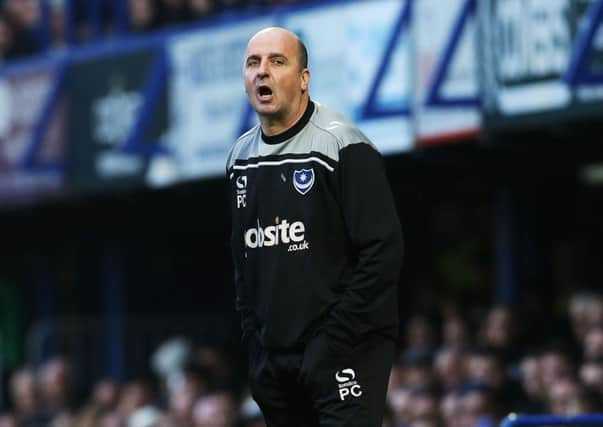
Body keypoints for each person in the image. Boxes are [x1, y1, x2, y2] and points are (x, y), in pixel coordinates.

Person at [226, 27, 403, 426]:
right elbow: (243, 263)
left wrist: (334, 340)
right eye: (253, 63)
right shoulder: (239, 158)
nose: (262, 72)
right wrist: (256, 344)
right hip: (275, 361)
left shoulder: (342, 145)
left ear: (304, 79)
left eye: (277, 61)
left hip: (345, 351)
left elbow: (383, 249)